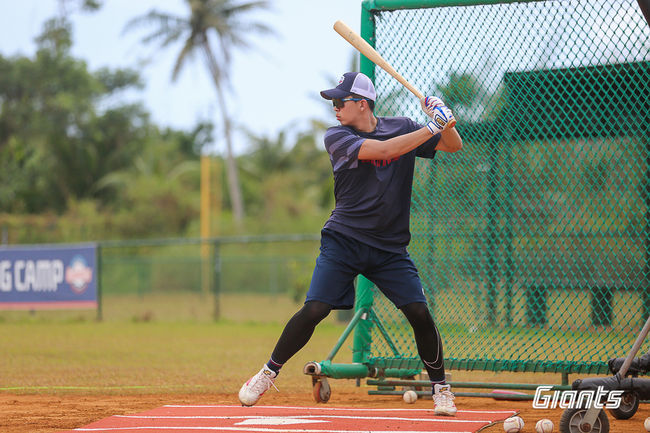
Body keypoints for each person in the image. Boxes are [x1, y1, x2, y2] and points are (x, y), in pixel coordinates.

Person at [238, 72, 463, 415]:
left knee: (419, 311)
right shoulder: (337, 136)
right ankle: (268, 372)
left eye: (341, 102)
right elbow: (385, 150)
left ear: (362, 104)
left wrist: (443, 119)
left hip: (389, 248)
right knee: (316, 308)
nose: (335, 108)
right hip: (344, 240)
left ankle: (441, 387)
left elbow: (453, 145)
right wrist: (432, 126)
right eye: (333, 102)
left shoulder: (402, 124)